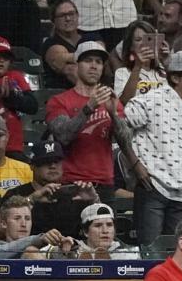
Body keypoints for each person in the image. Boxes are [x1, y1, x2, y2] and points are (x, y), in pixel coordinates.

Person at [125, 50, 182, 245]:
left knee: (178, 256)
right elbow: (123, 120)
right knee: (150, 252)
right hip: (153, 187)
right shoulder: (152, 99)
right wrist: (135, 163)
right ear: (174, 77)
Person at [45, 41, 134, 194]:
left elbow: (126, 143)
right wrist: (88, 108)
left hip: (105, 182)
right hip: (71, 182)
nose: (94, 66)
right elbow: (63, 136)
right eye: (88, 60)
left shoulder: (111, 100)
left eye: (98, 62)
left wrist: (113, 115)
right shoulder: (58, 101)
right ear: (76, 65)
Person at [7, 138, 99, 238]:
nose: (52, 166)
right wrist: (31, 200)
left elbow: (101, 228)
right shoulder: (16, 193)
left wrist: (93, 201)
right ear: (32, 166)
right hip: (30, 250)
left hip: (71, 250)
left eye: (57, 161)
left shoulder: (76, 194)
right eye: (46, 161)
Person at [38, 0, 82, 89]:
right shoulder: (50, 44)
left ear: (77, 15)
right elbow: (71, 72)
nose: (68, 19)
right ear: (53, 21)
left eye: (71, 13)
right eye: (62, 15)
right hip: (62, 93)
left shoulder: (88, 38)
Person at [72, 202, 137, 259]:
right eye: (98, 225)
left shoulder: (129, 255)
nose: (105, 231)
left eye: (109, 225)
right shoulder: (72, 253)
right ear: (85, 232)